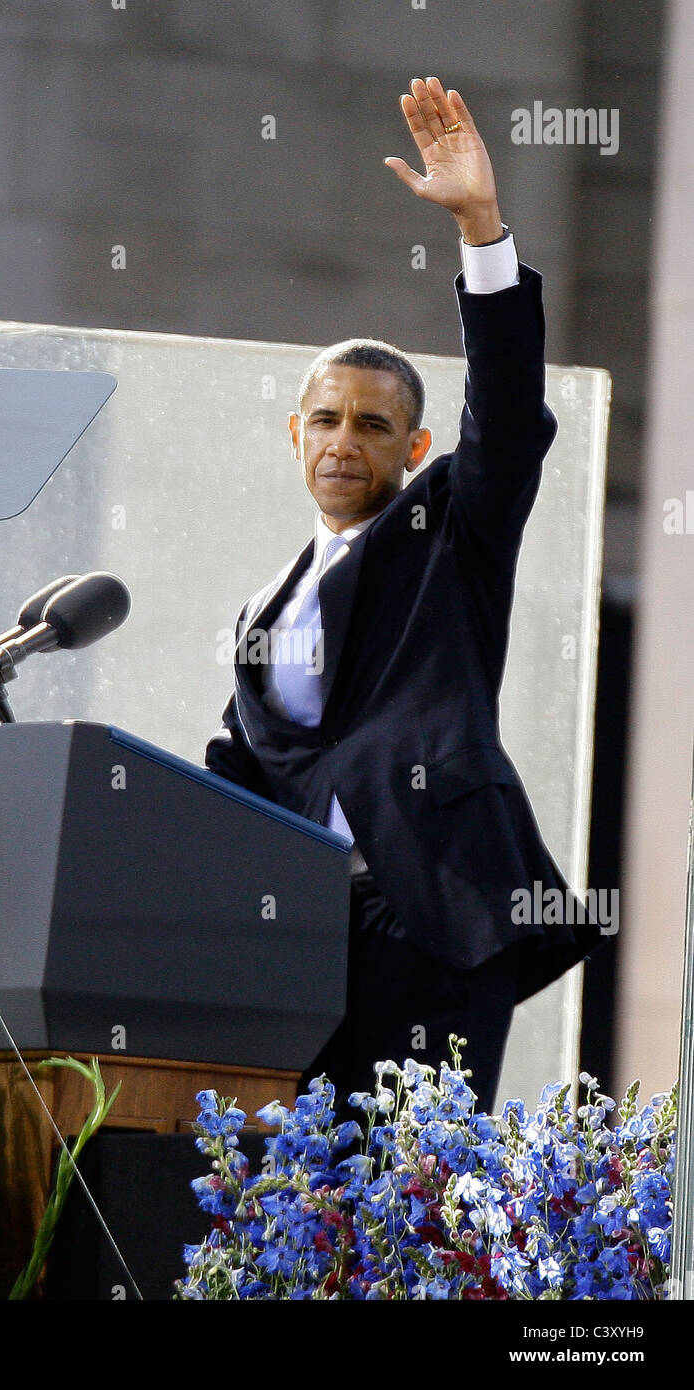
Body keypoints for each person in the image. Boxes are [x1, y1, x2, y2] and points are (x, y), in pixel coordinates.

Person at [204, 76, 601, 1114]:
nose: (344, 439)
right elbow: (237, 776)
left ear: (413, 446)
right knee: (287, 1216)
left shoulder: (447, 537)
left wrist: (479, 229)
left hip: (432, 918)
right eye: (325, 419)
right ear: (294, 435)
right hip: (292, 942)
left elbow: (509, 421)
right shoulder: (261, 610)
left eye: (373, 425)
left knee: (410, 1215)